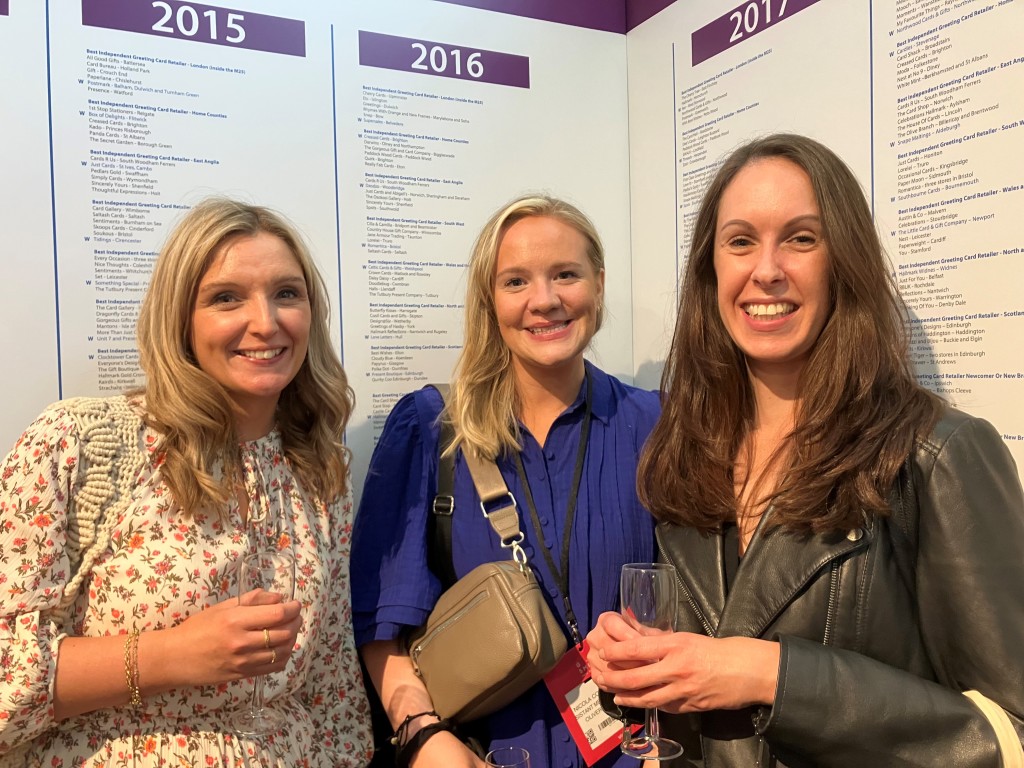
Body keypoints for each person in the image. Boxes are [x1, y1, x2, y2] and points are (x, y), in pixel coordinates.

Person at [586, 133, 1024, 766]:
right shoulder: (689, 450)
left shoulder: (934, 456)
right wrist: (641, 666)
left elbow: (1010, 731)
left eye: (800, 238)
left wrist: (771, 675)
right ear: (711, 270)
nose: (766, 269)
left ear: (842, 260)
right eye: (740, 241)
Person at [0, 198, 373, 766]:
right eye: (227, 298)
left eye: (286, 293)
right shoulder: (81, 445)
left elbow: (331, 681)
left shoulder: (317, 468)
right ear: (181, 318)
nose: (266, 322)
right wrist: (169, 655)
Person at [351, 194, 661, 767]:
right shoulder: (430, 430)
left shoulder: (654, 425)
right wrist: (422, 735)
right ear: (488, 301)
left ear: (597, 282)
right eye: (516, 281)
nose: (545, 301)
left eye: (565, 274)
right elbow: (379, 623)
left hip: (633, 756)